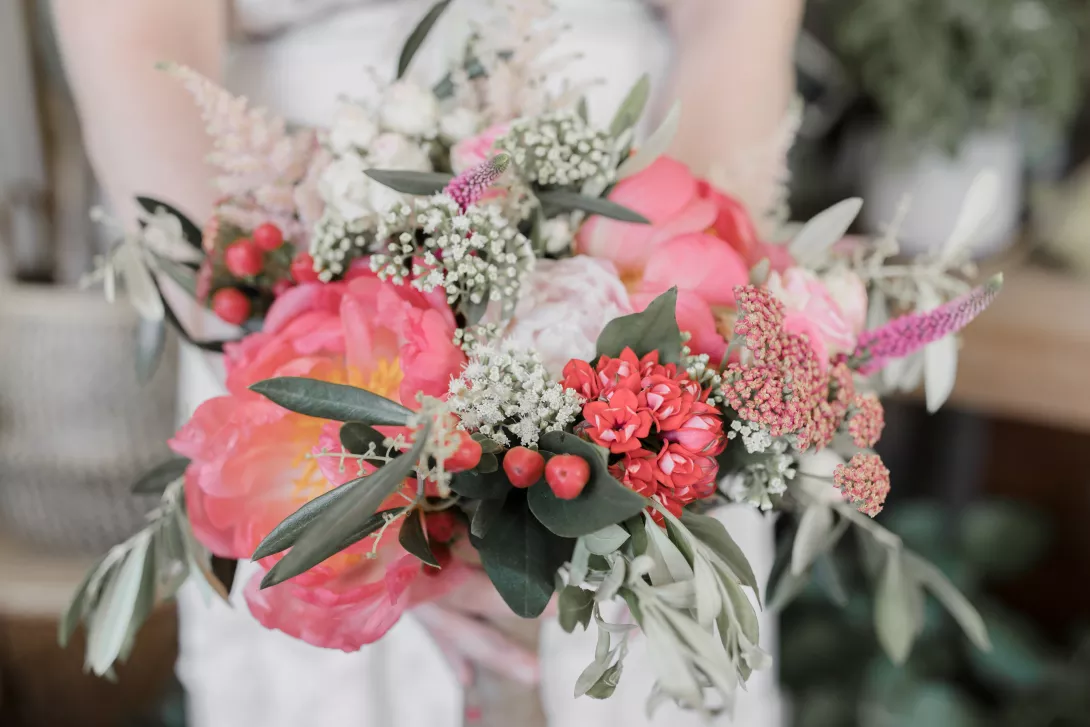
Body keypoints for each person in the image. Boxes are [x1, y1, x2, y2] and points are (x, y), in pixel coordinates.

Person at [50, 1, 804, 725]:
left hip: (641, 272)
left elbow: (736, 15)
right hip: (306, 289)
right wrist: (383, 489)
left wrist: (674, 347)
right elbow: (132, 38)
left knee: (648, 663)